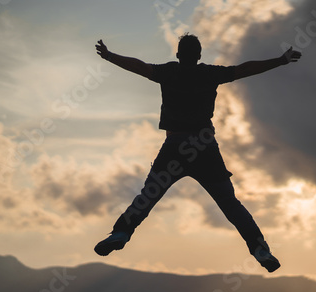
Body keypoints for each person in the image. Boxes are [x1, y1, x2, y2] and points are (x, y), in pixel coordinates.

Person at [94, 34, 301, 272]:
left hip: (174, 146)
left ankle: (121, 232)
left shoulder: (168, 72)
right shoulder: (209, 73)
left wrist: (110, 56)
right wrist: (280, 60)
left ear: (178, 54)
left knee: (147, 197)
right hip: (205, 147)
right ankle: (259, 249)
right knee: (230, 204)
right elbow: (244, 69)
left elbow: (139, 67)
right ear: (199, 56)